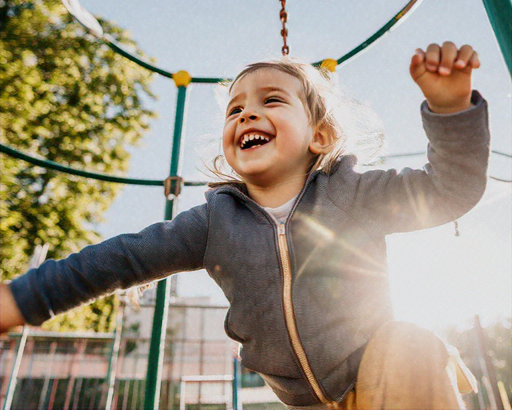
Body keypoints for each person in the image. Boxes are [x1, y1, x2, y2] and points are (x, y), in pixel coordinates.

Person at [0, 42, 489, 409]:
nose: (247, 111)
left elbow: (449, 190)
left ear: (319, 135)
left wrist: (450, 112)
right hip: (302, 402)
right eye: (236, 109)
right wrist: (21, 300)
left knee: (410, 341)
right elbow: (120, 259)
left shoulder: (355, 193)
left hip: (383, 381)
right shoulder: (215, 222)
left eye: (272, 100)